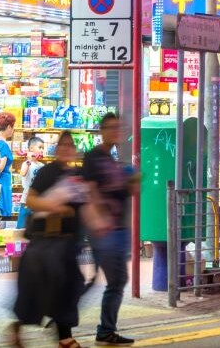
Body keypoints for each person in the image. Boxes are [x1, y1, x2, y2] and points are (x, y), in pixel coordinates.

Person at [11, 132, 90, 348]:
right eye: (61, 145)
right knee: (48, 287)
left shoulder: (77, 174)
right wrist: (56, 207)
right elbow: (31, 200)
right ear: (56, 150)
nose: (66, 149)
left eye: (69, 145)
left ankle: (63, 336)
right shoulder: (47, 172)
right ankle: (53, 335)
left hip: (68, 243)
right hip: (47, 241)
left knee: (68, 286)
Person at [82, 112, 139, 346]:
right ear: (102, 130)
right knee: (116, 281)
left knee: (108, 281)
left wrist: (133, 181)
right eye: (110, 127)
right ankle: (103, 329)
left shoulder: (115, 160)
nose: (115, 131)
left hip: (117, 231)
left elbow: (127, 192)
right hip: (104, 232)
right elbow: (90, 190)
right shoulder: (94, 157)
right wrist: (99, 220)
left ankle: (102, 328)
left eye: (118, 127)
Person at [15, 136, 47, 231]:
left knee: (37, 229)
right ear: (31, 148)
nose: (41, 150)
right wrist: (28, 160)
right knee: (22, 228)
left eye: (43, 148)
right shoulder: (26, 163)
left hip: (39, 201)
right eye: (40, 147)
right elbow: (23, 173)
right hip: (26, 200)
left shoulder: (42, 166)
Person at [0, 112, 17, 220]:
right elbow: (0, 167)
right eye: (12, 127)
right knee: (3, 219)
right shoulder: (2, 144)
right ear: (8, 127)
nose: (13, 130)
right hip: (2, 185)